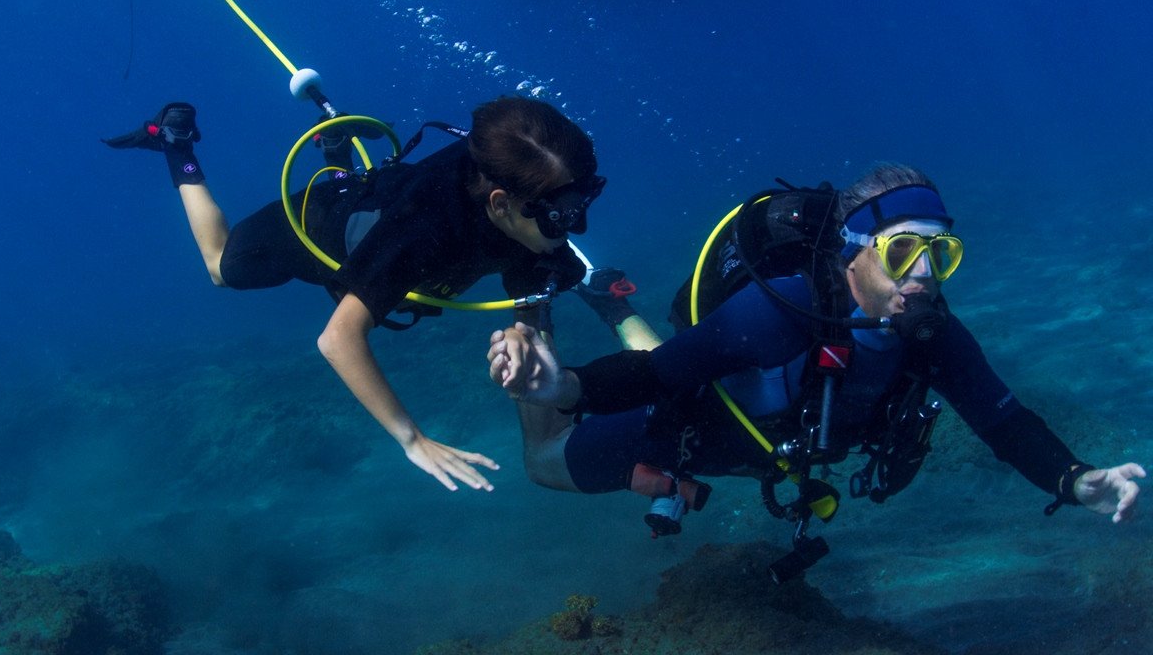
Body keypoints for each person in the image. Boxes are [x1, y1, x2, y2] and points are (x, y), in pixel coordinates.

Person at [488, 163, 1143, 577]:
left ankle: (606, 302)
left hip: (770, 448)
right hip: (705, 425)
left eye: (940, 255)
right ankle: (531, 303)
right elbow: (659, 376)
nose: (923, 276)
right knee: (544, 460)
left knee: (673, 357)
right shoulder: (783, 312)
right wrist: (562, 384)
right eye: (904, 251)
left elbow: (1006, 423)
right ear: (852, 257)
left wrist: (1077, 481)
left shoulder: (931, 332)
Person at [104, 96, 604, 491]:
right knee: (220, 267)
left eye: (584, 198)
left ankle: (339, 154)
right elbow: (338, 339)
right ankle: (175, 142)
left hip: (383, 205)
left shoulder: (526, 180)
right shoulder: (425, 233)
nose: (576, 222)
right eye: (561, 214)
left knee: (379, 206)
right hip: (318, 225)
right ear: (500, 204)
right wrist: (413, 440)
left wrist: (526, 334)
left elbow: (534, 295)